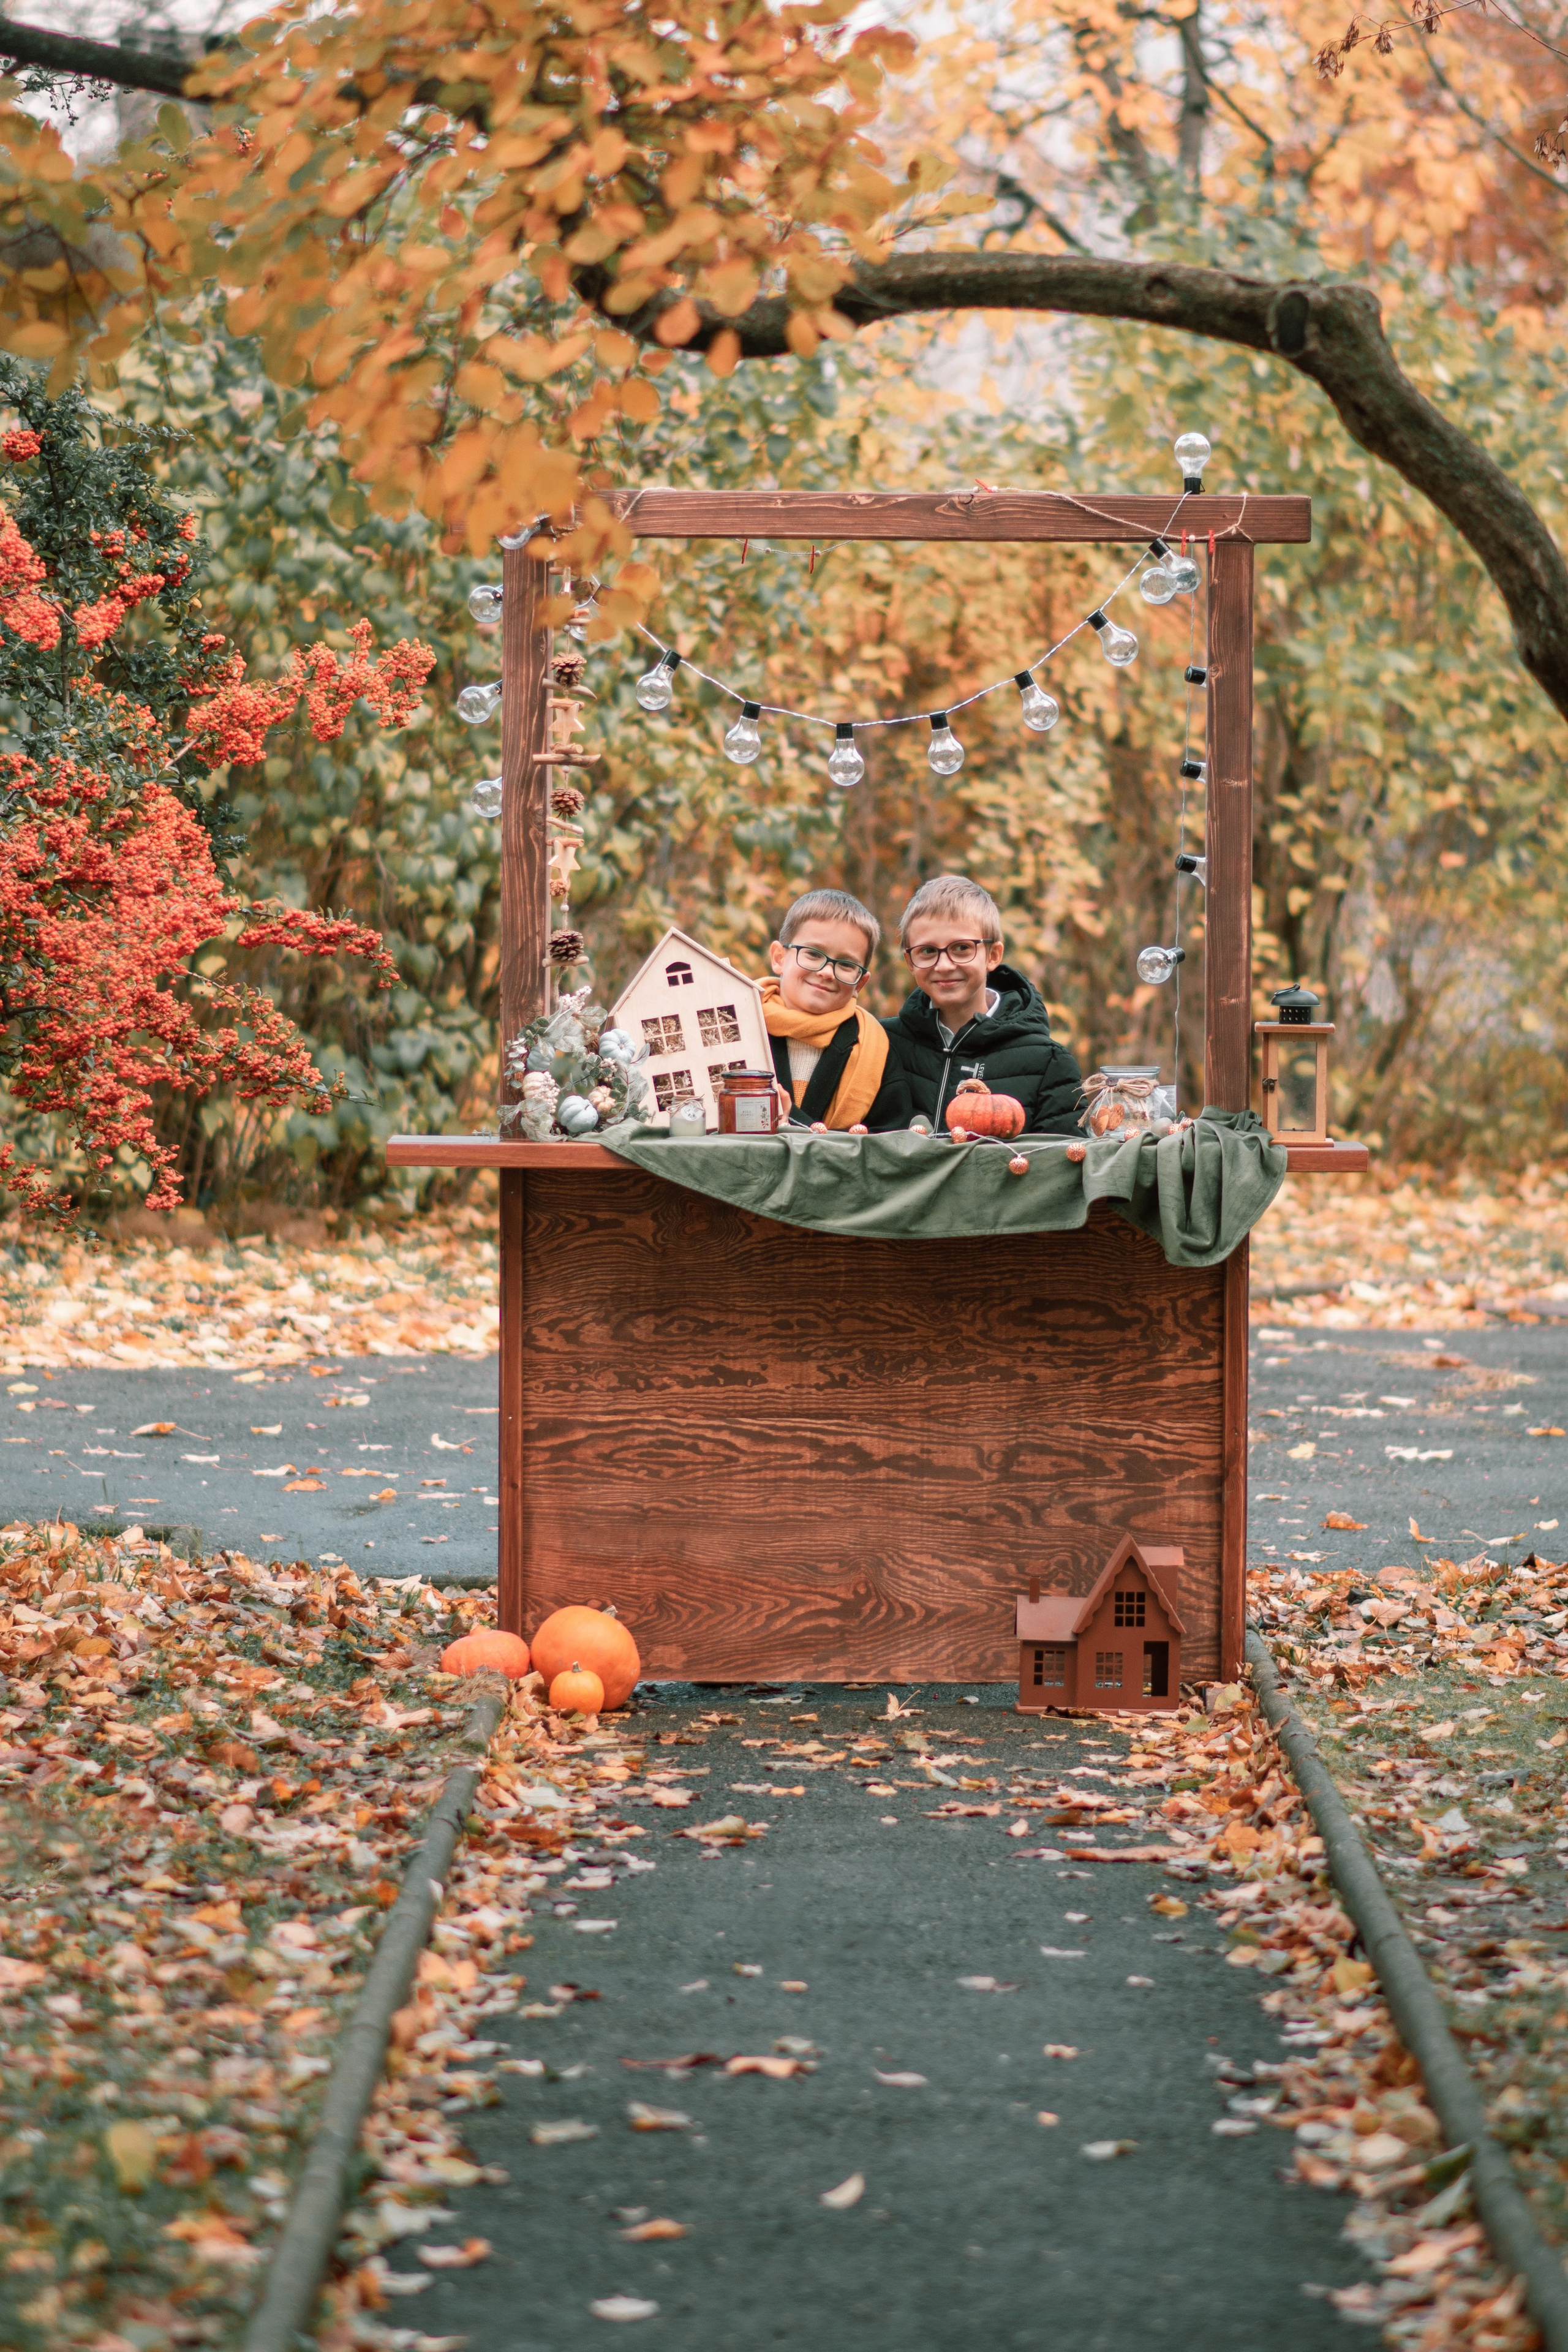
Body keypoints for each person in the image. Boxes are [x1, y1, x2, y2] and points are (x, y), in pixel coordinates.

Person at [881, 874, 1083, 1132]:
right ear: (910, 962)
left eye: (962, 948)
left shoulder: (1048, 1063)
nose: (944, 965)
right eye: (928, 951)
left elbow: (1061, 1163)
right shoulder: (881, 1045)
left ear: (993, 955)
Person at [761, 888, 910, 1131]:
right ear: (779, 958)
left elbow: (890, 1142)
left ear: (860, 984)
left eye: (846, 964)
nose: (826, 972)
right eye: (812, 954)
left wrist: (796, 1125)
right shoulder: (739, 1024)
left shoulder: (875, 1050)